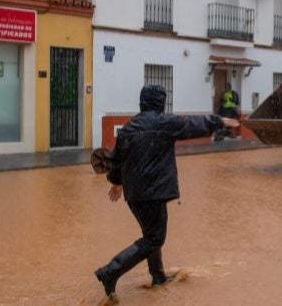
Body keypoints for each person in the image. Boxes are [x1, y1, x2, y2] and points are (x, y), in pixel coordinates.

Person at [94, 85, 239, 302]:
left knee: (150, 235)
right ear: (161, 103)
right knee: (154, 239)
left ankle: (158, 276)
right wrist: (220, 121)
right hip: (154, 192)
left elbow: (117, 160)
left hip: (135, 196)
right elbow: (193, 125)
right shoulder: (164, 123)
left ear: (142, 103)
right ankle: (111, 271)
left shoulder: (128, 128)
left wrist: (117, 182)